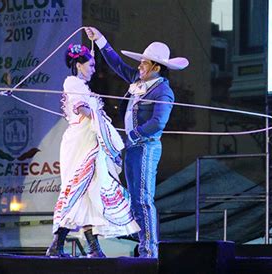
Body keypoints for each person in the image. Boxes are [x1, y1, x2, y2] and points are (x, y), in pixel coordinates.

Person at [85, 27, 189, 258]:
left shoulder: (163, 91)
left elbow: (157, 123)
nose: (139, 66)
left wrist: (131, 135)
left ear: (156, 67)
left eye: (144, 63)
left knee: (143, 198)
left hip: (146, 146)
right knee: (134, 198)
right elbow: (117, 64)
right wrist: (101, 40)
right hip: (132, 147)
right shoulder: (138, 80)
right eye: (141, 63)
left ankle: (149, 249)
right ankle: (143, 244)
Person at [46, 44, 140, 258]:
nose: (94, 69)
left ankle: (91, 248)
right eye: (91, 65)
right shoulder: (72, 82)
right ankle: (59, 245)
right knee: (80, 188)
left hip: (89, 140)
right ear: (79, 65)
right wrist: (100, 118)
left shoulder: (81, 85)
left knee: (92, 192)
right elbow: (81, 108)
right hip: (81, 142)